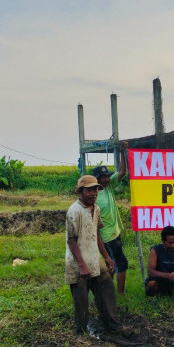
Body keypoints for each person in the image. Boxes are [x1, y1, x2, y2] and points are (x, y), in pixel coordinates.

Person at [65, 175, 124, 335]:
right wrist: (82, 265)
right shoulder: (74, 211)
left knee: (106, 291)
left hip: (96, 258)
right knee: (81, 300)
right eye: (89, 190)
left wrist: (106, 256)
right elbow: (71, 241)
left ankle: (113, 326)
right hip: (77, 262)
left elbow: (96, 233)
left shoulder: (96, 208)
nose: (93, 193)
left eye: (95, 189)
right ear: (80, 192)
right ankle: (81, 332)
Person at [92, 141, 129, 295]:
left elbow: (121, 172)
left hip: (115, 233)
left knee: (113, 264)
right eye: (103, 178)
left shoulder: (109, 187)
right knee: (119, 263)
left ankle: (107, 293)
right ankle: (116, 294)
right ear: (96, 180)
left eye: (107, 177)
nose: (106, 179)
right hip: (106, 237)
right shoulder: (94, 197)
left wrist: (123, 152)